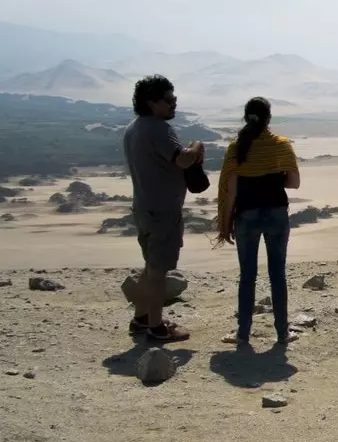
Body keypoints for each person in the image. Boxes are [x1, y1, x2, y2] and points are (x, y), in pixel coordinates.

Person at [122, 75, 204, 342]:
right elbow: (182, 159)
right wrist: (196, 147)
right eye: (168, 100)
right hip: (162, 211)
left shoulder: (133, 127)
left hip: (145, 208)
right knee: (158, 272)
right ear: (151, 102)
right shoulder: (158, 129)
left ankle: (141, 319)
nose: (174, 105)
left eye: (174, 99)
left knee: (150, 266)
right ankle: (157, 328)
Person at [215, 97, 300, 345]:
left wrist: (225, 221)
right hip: (276, 213)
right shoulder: (281, 145)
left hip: (246, 215)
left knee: (247, 276)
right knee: (278, 275)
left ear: (245, 117)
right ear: (269, 118)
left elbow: (230, 190)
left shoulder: (236, 147)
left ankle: (243, 334)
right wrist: (272, 180)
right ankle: (283, 333)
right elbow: (294, 183)